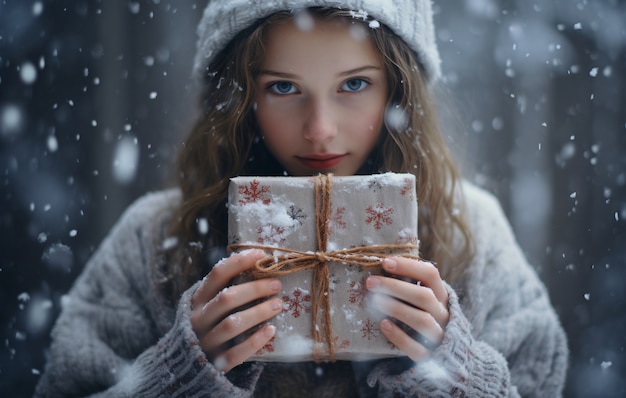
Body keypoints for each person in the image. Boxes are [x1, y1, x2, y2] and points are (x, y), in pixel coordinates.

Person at [35, 1, 569, 397]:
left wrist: (453, 372)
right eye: (283, 88)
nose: (319, 130)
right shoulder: (152, 239)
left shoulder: (470, 233)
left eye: (355, 84)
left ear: (398, 91)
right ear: (238, 98)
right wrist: (179, 375)